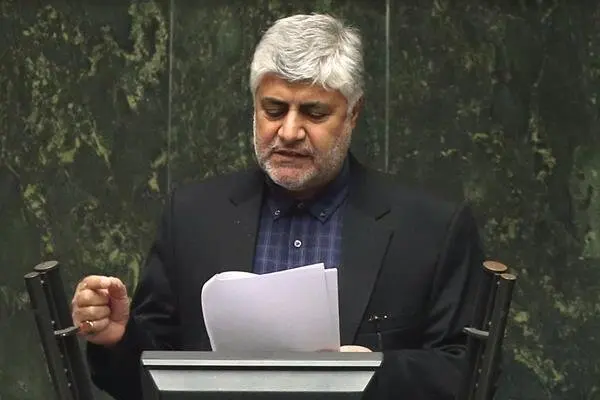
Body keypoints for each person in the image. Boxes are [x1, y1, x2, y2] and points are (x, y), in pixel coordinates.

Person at [71, 13, 485, 400]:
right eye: (274, 109)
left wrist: (371, 372)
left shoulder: (431, 228)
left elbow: (469, 371)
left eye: (314, 113)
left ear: (353, 114)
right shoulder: (193, 217)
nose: (289, 131)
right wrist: (118, 338)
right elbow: (146, 380)